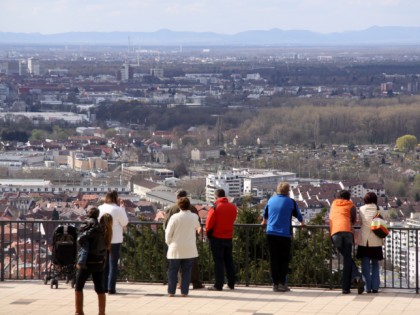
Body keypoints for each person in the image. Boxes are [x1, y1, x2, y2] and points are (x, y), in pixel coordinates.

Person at [261, 182, 305, 292]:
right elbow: (299, 216)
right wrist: (302, 223)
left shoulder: (271, 200)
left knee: (273, 259)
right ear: (288, 191)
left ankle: (275, 284)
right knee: (284, 259)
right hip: (284, 234)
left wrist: (264, 223)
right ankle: (282, 283)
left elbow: (264, 217)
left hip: (270, 233)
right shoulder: (291, 202)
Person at [164, 189, 205, 290]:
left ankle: (179, 284)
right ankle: (195, 283)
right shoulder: (193, 210)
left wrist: (169, 242)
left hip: (175, 241)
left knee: (176, 266)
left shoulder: (172, 210)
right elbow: (198, 225)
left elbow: (166, 226)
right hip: (190, 241)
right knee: (191, 263)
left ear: (177, 198)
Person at [74, 213, 113, 315]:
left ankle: (79, 311)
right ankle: (101, 313)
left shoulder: (95, 231)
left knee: (79, 286)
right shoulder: (108, 233)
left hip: (88, 262)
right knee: (100, 288)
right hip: (99, 262)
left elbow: (82, 240)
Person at [329, 189, 365, 294]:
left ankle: (349, 284)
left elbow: (331, 217)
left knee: (347, 258)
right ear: (349, 197)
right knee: (347, 259)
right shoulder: (351, 206)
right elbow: (354, 220)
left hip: (335, 232)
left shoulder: (333, 205)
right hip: (347, 232)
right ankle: (352, 282)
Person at [205, 189, 237, 291]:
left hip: (217, 237)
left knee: (218, 262)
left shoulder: (215, 207)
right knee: (229, 260)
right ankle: (231, 283)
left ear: (215, 197)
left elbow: (209, 224)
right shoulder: (233, 207)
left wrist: (208, 235)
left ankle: (218, 284)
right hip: (228, 236)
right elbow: (233, 219)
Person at [98, 190, 129, 295]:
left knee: (104, 264)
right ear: (116, 197)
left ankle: (104, 287)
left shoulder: (100, 208)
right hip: (115, 239)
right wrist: (122, 208)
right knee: (113, 264)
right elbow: (125, 222)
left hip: (102, 239)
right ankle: (111, 288)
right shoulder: (117, 209)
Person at [357, 192, 384, 293]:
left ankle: (367, 287)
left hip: (365, 240)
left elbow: (360, 222)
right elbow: (383, 221)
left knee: (365, 265)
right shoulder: (379, 209)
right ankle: (375, 287)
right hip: (377, 240)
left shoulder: (362, 209)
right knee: (375, 264)